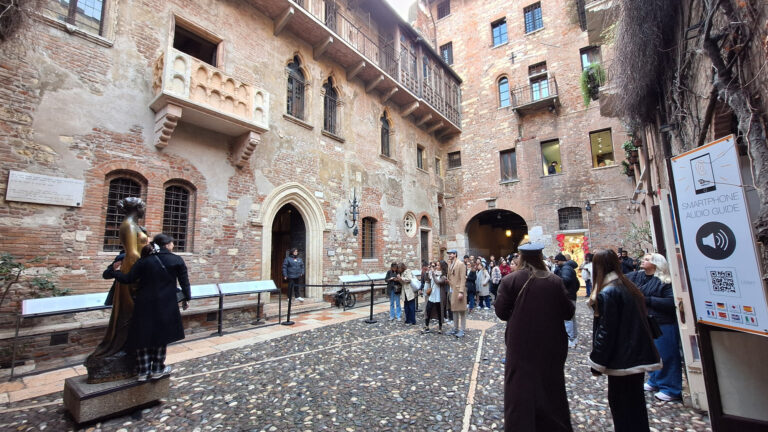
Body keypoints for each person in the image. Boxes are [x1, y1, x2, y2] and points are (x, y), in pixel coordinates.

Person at [495, 242, 575, 432]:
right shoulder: (554, 281)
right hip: (551, 342)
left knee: (519, 386)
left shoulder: (510, 280)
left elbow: (501, 312)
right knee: (551, 384)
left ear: (521, 257)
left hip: (520, 342)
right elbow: (568, 311)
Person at [588, 249, 662, 432]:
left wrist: (597, 362)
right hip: (636, 352)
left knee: (621, 405)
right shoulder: (628, 285)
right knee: (635, 404)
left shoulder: (608, 292)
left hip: (623, 356)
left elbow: (606, 330)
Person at [111, 233, 191, 381]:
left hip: (144, 303)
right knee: (161, 336)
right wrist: (187, 298)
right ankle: (157, 369)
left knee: (143, 335)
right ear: (167, 245)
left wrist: (115, 272)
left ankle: (143, 371)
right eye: (172, 243)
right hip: (166, 304)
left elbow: (128, 279)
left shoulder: (144, 261)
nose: (173, 245)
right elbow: (184, 282)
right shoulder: (176, 260)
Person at [85, 197, 148, 383]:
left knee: (133, 313)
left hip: (134, 270)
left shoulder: (134, 225)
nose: (144, 209)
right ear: (137, 208)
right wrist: (141, 273)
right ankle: (120, 348)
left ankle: (129, 349)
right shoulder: (128, 225)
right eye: (143, 206)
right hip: (132, 272)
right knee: (128, 312)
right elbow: (133, 253)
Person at [628, 253, 681, 401]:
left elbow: (671, 302)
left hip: (662, 322)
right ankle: (655, 380)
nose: (643, 261)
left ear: (656, 263)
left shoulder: (664, 281)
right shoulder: (638, 276)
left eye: (647, 259)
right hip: (645, 320)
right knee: (649, 352)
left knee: (666, 354)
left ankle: (670, 388)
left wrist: (648, 300)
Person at [554, 253, 580, 348]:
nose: (556, 263)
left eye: (557, 261)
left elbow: (566, 280)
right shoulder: (567, 268)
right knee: (571, 317)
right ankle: (574, 338)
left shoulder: (566, 269)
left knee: (567, 318)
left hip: (568, 296)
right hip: (570, 295)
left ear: (561, 260)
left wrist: (556, 282)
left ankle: (570, 339)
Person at [446, 249, 467, 338]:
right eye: (449, 254)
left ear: (455, 254)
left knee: (462, 311)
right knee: (454, 309)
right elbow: (450, 276)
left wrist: (461, 291)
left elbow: (463, 279)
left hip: (458, 290)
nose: (449, 255)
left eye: (451, 254)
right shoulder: (450, 264)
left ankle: (462, 329)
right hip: (452, 289)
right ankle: (455, 328)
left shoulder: (460, 264)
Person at [423, 261, 446, 334]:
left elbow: (438, 282)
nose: (436, 266)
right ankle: (427, 326)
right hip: (432, 295)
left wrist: (433, 273)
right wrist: (427, 272)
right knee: (428, 310)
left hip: (439, 296)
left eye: (438, 265)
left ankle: (440, 328)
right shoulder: (433, 273)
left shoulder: (443, 276)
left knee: (439, 312)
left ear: (442, 267)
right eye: (436, 265)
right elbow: (427, 280)